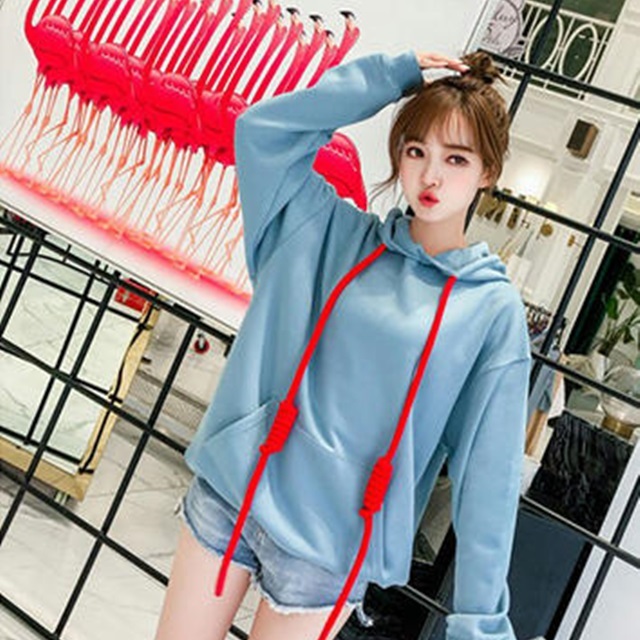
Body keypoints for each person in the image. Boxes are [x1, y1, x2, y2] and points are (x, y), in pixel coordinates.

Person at [155, 48, 532, 640]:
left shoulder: (490, 311)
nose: (431, 176)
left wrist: (480, 622)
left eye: (456, 158)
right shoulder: (327, 230)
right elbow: (262, 132)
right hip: (234, 493)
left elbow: (488, 477)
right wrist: (388, 77)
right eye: (416, 151)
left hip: (331, 550)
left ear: (488, 172)